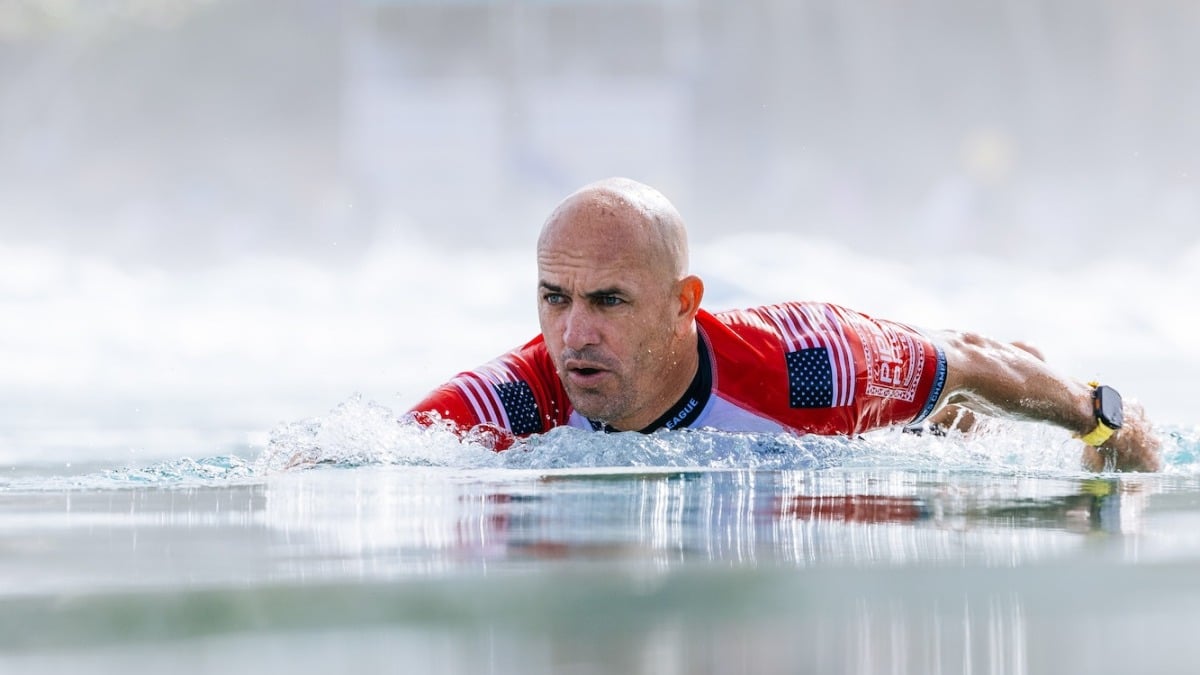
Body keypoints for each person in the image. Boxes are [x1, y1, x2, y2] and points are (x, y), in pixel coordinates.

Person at [409, 178, 1161, 472]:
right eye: (554, 297)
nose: (573, 334)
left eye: (608, 301)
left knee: (957, 420)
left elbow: (968, 356)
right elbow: (359, 462)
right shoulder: (516, 398)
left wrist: (1103, 421)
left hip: (847, 427)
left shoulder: (815, 365)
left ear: (682, 302)